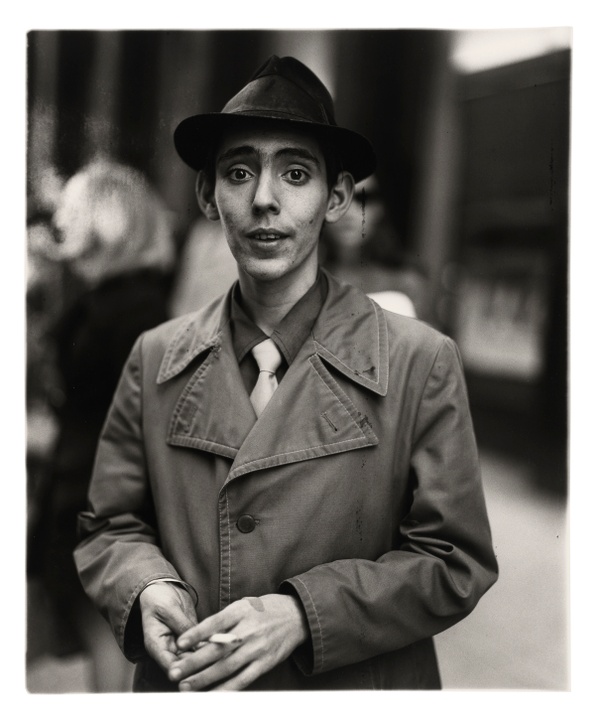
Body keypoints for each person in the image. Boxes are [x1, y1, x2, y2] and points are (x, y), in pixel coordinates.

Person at [74, 56, 498, 692]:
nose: (264, 198)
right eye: (238, 172)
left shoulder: (419, 360)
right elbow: (110, 523)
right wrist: (146, 585)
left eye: (295, 173)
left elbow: (453, 559)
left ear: (337, 197)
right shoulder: (154, 355)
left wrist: (305, 613)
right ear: (206, 196)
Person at [33, 159, 175, 691]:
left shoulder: (134, 310)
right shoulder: (109, 300)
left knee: (107, 638)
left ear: (104, 217)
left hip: (100, 497)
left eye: (71, 206)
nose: (59, 218)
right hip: (83, 485)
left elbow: (140, 421)